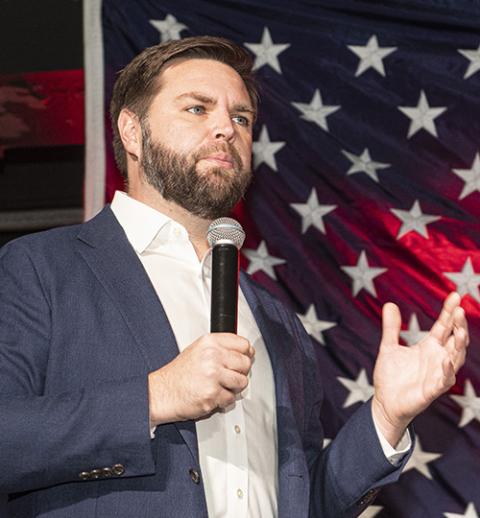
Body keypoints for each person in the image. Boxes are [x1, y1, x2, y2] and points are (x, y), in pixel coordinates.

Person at [0, 36, 468, 518]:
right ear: (132, 132)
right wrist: (155, 398)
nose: (226, 127)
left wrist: (387, 417)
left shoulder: (276, 320)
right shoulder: (40, 269)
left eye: (241, 118)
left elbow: (305, 503)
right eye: (198, 109)